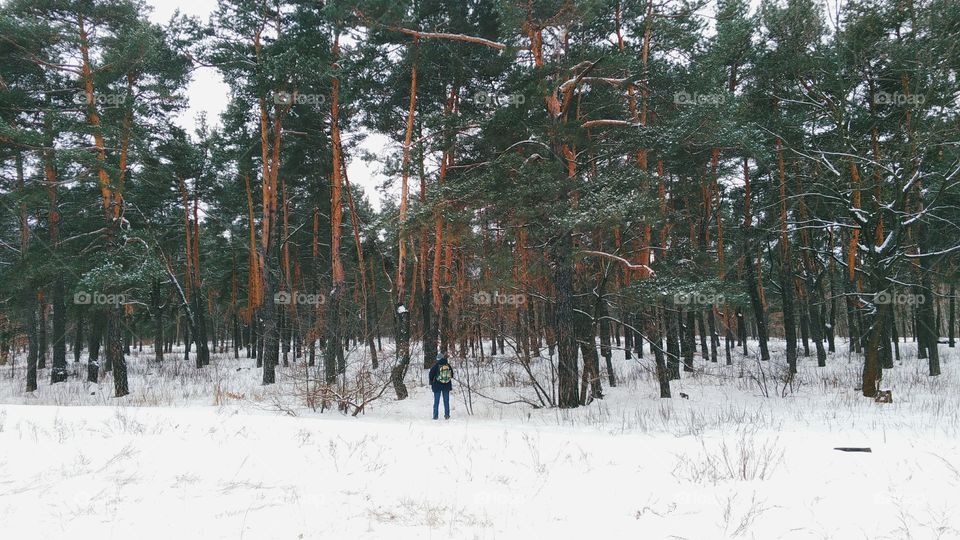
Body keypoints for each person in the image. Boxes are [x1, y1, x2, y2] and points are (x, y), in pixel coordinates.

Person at [428, 353, 454, 420]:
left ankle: (435, 416)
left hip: (437, 386)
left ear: (438, 359)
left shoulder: (436, 366)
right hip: (446, 386)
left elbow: (431, 375)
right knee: (446, 401)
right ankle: (447, 415)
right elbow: (452, 375)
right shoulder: (448, 365)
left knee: (436, 401)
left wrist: (431, 382)